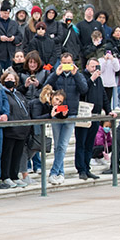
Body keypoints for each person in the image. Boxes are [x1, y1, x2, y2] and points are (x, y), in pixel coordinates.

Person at [44, 53, 88, 184]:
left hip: (71, 112)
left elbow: (84, 89)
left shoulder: (77, 75)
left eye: (69, 62)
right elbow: (46, 87)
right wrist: (55, 74)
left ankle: (55, 172)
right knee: (57, 145)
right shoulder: (57, 74)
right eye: (64, 62)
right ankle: (59, 171)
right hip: (57, 112)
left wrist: (76, 74)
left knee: (63, 145)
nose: (66, 65)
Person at [75, 57, 113, 180]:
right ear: (87, 67)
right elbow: (82, 91)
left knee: (90, 143)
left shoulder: (99, 80)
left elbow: (103, 96)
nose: (95, 69)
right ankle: (81, 169)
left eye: (97, 67)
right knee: (81, 143)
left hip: (96, 115)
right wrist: (92, 79)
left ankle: (87, 167)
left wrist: (109, 110)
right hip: (84, 114)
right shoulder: (82, 77)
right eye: (92, 66)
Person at [0, 68, 31, 187]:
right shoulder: (2, 93)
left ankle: (14, 175)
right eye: (7, 79)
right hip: (10, 129)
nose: (10, 81)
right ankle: (5, 176)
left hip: (22, 129)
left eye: (12, 79)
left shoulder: (18, 94)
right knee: (8, 154)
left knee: (18, 154)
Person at [0, 0, 23, 70]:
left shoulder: (14, 24)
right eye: (4, 13)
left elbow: (20, 37)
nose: (6, 15)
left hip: (11, 55)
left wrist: (14, 38)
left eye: (8, 13)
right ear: (0, 12)